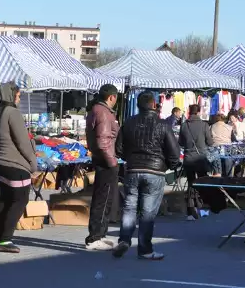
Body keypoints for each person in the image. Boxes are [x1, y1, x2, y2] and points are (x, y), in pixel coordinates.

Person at [113, 91, 180, 260]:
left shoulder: (129, 123)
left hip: (133, 170)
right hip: (155, 171)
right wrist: (170, 166)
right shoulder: (163, 125)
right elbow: (174, 151)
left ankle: (125, 239)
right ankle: (144, 249)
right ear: (154, 105)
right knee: (147, 212)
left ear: (138, 105)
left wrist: (130, 157)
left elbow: (118, 149)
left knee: (129, 207)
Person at [0, 82, 37, 253]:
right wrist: (33, 163)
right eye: (18, 95)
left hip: (0, 161)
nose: (19, 98)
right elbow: (22, 142)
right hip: (14, 163)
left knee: (6, 199)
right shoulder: (13, 113)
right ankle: (5, 240)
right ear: (12, 95)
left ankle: (0, 239)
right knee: (19, 200)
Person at [84, 84, 120, 251]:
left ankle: (99, 235)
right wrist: (112, 162)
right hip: (106, 161)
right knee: (103, 200)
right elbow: (103, 140)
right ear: (111, 97)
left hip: (102, 159)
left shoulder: (97, 110)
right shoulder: (103, 112)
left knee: (104, 199)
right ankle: (95, 237)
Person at [179, 104, 213, 220]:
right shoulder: (204, 125)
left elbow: (181, 143)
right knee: (202, 184)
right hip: (201, 158)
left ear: (189, 112)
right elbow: (210, 142)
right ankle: (202, 210)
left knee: (191, 184)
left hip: (188, 158)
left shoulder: (184, 126)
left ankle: (191, 212)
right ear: (198, 112)